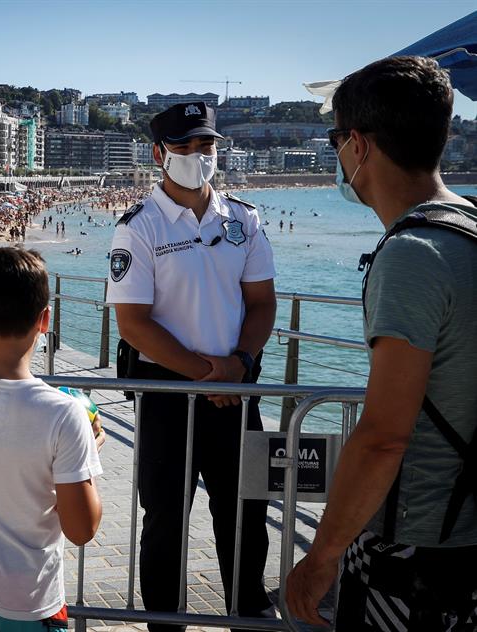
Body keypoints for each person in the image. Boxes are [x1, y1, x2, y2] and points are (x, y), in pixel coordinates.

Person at [286, 56, 477, 630]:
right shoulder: (469, 227)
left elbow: (384, 436)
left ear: (359, 148)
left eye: (335, 140)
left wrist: (320, 558)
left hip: (415, 546)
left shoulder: (413, 254)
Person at [106, 101, 277, 630]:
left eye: (206, 145)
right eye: (183, 146)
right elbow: (133, 324)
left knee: (246, 514)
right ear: (159, 154)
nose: (197, 156)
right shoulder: (139, 227)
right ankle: (165, 624)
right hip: (168, 396)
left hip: (236, 390)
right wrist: (207, 375)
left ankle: (248, 615)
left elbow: (262, 303)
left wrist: (241, 364)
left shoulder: (243, 220)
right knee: (164, 519)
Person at [0, 247, 105, 631]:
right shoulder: (64, 414)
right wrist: (88, 452)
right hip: (28, 599)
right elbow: (82, 530)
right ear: (44, 319)